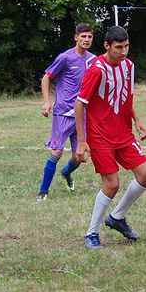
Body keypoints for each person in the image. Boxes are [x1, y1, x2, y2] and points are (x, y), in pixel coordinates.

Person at [74, 26, 146, 249]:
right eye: (119, 47)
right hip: (100, 136)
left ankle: (117, 218)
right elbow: (80, 104)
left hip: (124, 134)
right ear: (107, 46)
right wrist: (82, 141)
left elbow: (127, 97)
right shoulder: (97, 69)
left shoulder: (128, 66)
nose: (124, 52)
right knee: (112, 185)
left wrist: (137, 120)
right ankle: (92, 233)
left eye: (126, 46)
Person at [37, 22, 95, 202]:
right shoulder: (65, 58)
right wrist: (47, 102)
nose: (86, 39)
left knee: (79, 156)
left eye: (89, 36)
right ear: (76, 37)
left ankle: (66, 173)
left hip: (82, 115)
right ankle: (43, 192)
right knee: (56, 152)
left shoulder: (93, 60)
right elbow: (46, 77)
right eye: (83, 36)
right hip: (63, 113)